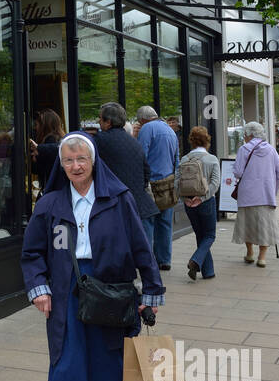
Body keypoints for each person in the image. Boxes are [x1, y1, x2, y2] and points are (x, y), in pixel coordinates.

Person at [20, 132, 164, 381]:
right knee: (66, 365)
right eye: (68, 160)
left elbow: (141, 246)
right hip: (68, 290)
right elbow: (32, 252)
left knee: (114, 361)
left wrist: (152, 290)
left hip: (112, 290)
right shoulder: (51, 204)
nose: (75, 166)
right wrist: (39, 287)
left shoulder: (118, 198)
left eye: (81, 159)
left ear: (94, 160)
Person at [93, 102, 160, 230]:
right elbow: (146, 172)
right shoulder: (134, 142)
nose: (98, 122)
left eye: (100, 118)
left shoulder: (100, 140)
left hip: (117, 211)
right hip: (142, 208)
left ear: (108, 122)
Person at [232, 121, 279, 267]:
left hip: (247, 194)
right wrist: (274, 190)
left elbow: (237, 172)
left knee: (247, 224)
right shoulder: (271, 149)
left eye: (245, 134)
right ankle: (262, 257)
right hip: (266, 194)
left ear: (250, 134)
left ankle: (250, 253)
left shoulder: (243, 149)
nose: (244, 137)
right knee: (265, 226)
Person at [136, 105, 179, 270]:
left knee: (148, 223)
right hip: (168, 182)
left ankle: (149, 261)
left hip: (151, 184)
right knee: (165, 224)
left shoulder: (147, 129)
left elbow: (141, 155)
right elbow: (176, 157)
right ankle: (165, 259)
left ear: (142, 119)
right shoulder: (170, 130)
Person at [176, 126, 221, 280]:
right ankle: (195, 260)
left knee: (200, 235)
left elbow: (177, 184)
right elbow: (215, 183)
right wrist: (201, 198)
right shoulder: (212, 159)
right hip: (206, 202)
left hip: (189, 203)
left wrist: (186, 200)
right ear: (207, 140)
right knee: (209, 235)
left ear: (191, 141)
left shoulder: (184, 159)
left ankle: (208, 271)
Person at [30, 109, 65, 195]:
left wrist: (38, 150)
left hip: (52, 189)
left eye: (37, 124)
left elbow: (40, 169)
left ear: (44, 126)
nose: (35, 128)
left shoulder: (51, 139)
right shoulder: (59, 138)